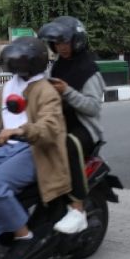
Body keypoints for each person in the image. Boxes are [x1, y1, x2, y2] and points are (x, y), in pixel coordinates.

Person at [0, 36, 72, 259]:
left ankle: (24, 236)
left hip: (35, 151)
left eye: (20, 63)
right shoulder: (9, 87)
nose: (15, 67)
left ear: (34, 63)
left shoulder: (46, 90)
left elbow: (50, 127)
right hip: (5, 150)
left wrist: (20, 130)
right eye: (13, 63)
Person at [37, 16, 106, 236]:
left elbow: (93, 107)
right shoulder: (57, 65)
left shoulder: (89, 69)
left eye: (64, 42)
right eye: (56, 43)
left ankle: (77, 209)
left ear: (76, 41)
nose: (61, 47)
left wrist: (67, 91)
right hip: (60, 123)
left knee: (69, 143)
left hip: (84, 129)